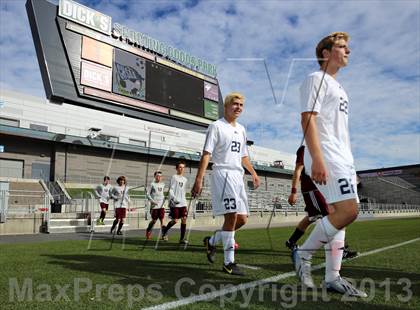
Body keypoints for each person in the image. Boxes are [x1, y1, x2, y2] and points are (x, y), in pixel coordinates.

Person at [293, 32, 367, 297]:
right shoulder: (316, 79)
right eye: (342, 47)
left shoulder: (339, 87)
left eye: (348, 47)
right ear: (326, 53)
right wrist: (318, 158)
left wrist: (351, 164)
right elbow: (308, 120)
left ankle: (333, 277)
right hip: (327, 154)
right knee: (349, 211)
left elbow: (339, 130)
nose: (348, 51)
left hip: (343, 157)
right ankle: (303, 254)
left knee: (338, 216)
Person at [192, 92, 260, 276]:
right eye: (235, 104)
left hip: (238, 176)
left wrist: (253, 173)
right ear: (226, 106)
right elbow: (206, 154)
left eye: (241, 105)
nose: (238, 107)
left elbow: (243, 156)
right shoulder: (216, 126)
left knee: (242, 219)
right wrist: (199, 179)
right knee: (231, 216)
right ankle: (229, 262)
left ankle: (212, 241)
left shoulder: (242, 129)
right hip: (223, 173)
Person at [285, 145, 358, 260]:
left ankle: (291, 241)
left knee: (311, 217)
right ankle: (339, 251)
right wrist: (293, 192)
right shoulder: (305, 148)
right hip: (312, 189)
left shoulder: (322, 147)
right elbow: (298, 169)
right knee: (334, 217)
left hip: (322, 187)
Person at [161, 162, 189, 243]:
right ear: (177, 168)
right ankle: (165, 230)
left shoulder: (185, 179)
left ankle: (182, 239)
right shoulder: (174, 177)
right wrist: (174, 198)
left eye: (183, 167)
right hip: (175, 203)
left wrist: (185, 200)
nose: (181, 169)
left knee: (184, 219)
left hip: (183, 202)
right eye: (180, 167)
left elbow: (183, 191)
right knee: (175, 220)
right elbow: (171, 189)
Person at [145, 171, 166, 240]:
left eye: (160, 176)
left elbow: (162, 194)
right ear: (154, 177)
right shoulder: (152, 184)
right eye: (157, 176)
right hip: (154, 206)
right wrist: (153, 201)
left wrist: (164, 202)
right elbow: (148, 195)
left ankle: (164, 235)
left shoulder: (163, 184)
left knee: (162, 220)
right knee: (154, 221)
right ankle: (148, 231)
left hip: (161, 206)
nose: (158, 177)